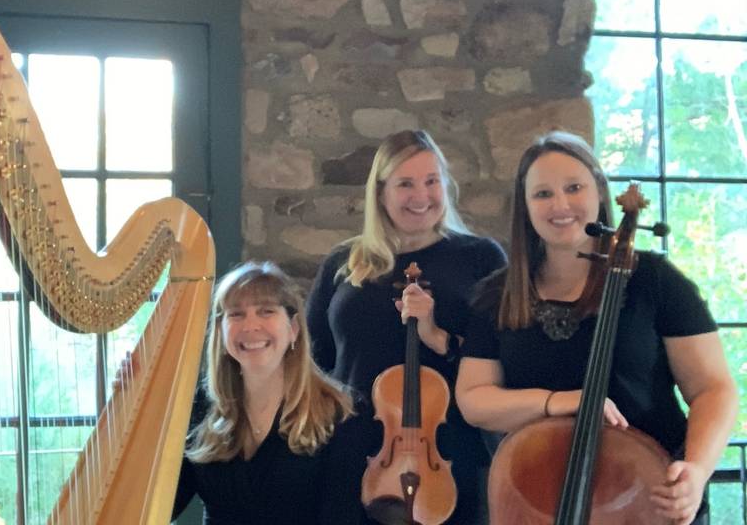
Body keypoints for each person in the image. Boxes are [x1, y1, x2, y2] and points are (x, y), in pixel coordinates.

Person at [456, 131, 737, 525]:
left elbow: (713, 389)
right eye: (542, 194)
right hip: (539, 499)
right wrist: (559, 401)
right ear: (525, 206)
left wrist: (697, 469)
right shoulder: (499, 294)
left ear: (599, 193)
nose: (561, 205)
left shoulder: (654, 281)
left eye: (574, 188)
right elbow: (474, 400)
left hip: (647, 496)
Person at [306, 129, 506, 524]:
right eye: (405, 184)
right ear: (380, 193)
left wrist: (437, 336)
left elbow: (505, 358)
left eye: (432, 181)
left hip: (447, 456)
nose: (421, 196)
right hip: (354, 454)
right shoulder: (344, 262)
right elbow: (314, 361)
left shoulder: (480, 258)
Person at [172, 261, 367, 525]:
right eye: (236, 314)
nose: (251, 326)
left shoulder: (339, 414)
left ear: (293, 329)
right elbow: (162, 505)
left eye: (266, 311)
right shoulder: (202, 408)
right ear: (221, 331)